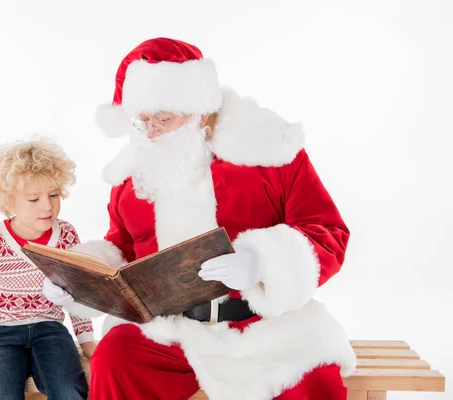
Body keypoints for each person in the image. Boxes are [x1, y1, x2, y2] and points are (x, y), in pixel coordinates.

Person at [48, 37, 358, 400]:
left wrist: (262, 263)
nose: (150, 132)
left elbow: (327, 231)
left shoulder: (270, 150)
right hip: (167, 328)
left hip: (265, 324)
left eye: (163, 119)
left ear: (200, 111)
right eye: (142, 120)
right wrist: (81, 278)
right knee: (115, 357)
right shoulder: (134, 173)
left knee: (309, 377)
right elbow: (123, 247)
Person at [0, 138, 95, 400]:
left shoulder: (66, 234)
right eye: (33, 199)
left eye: (54, 195)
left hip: (49, 329)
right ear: (8, 202)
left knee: (69, 390)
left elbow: (75, 291)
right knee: (1, 392)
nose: (47, 206)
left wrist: (86, 339)